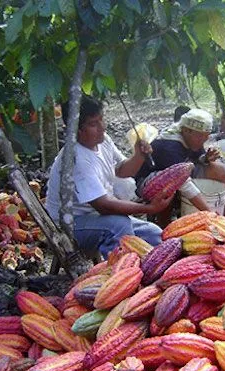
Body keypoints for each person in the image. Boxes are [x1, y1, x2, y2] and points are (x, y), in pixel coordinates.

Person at [45, 95, 172, 258]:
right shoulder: (76, 158)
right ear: (76, 130)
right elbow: (103, 205)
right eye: (93, 124)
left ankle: (153, 268)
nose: (102, 127)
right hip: (69, 224)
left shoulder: (103, 140)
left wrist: (139, 155)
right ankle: (119, 271)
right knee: (119, 226)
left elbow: (122, 170)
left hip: (96, 217)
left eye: (101, 119)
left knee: (153, 233)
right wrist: (149, 209)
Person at [136, 108, 225, 227]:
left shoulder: (192, 138)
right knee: (168, 187)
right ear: (186, 131)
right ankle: (164, 226)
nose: (202, 141)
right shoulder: (169, 147)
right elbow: (184, 184)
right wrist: (209, 213)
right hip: (150, 182)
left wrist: (205, 158)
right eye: (200, 136)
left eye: (206, 137)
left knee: (219, 170)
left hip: (182, 176)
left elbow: (196, 158)